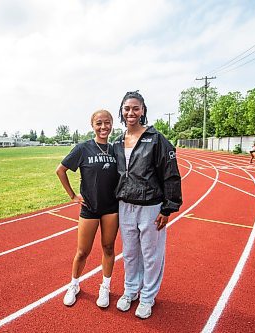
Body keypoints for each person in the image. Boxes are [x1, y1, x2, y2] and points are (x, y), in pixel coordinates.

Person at [112, 91, 182, 319]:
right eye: (126, 108)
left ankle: (148, 297)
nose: (131, 113)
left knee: (151, 255)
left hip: (151, 206)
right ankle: (131, 290)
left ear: (143, 110)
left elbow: (171, 175)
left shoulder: (157, 139)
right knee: (130, 253)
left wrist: (167, 208)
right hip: (125, 205)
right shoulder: (117, 142)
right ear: (121, 111)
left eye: (135, 108)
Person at [56, 110, 119, 308]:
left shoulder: (116, 150)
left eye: (107, 123)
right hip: (90, 208)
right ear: (92, 125)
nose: (103, 127)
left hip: (111, 208)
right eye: (99, 123)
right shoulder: (83, 148)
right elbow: (60, 170)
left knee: (108, 248)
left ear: (112, 124)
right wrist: (73, 196)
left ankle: (105, 287)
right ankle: (74, 285)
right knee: (83, 252)